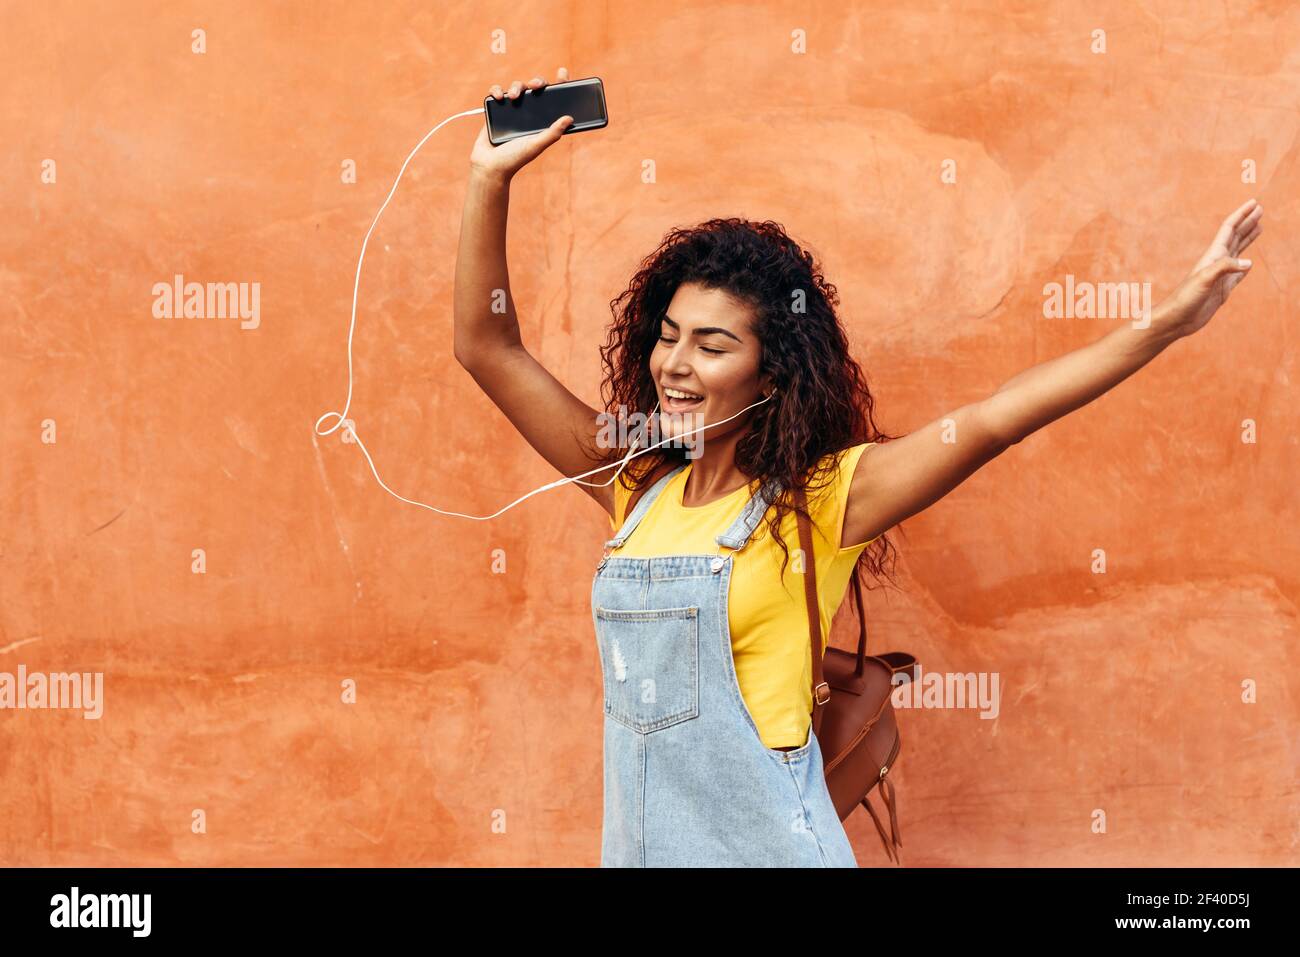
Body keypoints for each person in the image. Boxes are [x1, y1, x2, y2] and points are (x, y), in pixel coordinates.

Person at [454, 67, 1263, 867]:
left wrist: (1165, 324)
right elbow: (486, 348)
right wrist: (491, 175)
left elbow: (994, 419)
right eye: (668, 335)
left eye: (713, 344)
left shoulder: (819, 502)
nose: (676, 364)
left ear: (770, 377)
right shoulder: (632, 484)